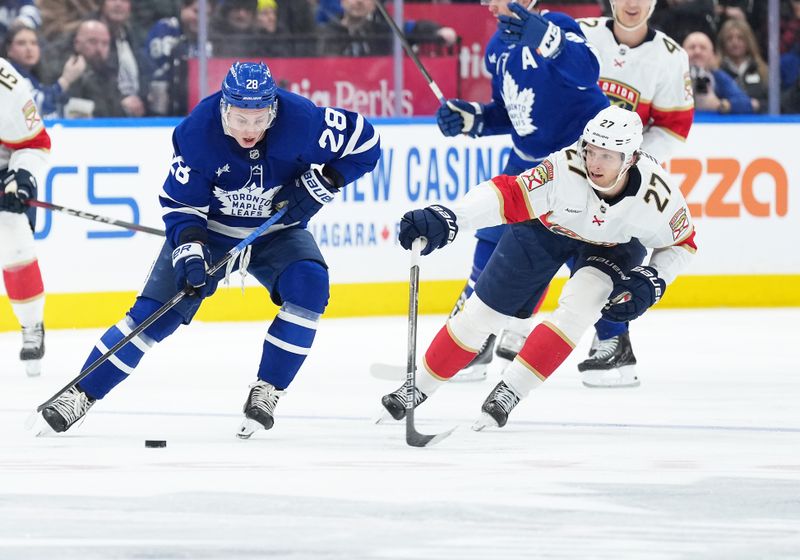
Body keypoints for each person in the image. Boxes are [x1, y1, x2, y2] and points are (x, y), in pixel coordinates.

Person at [37, 61, 381, 436]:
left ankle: (268, 389)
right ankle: (82, 392)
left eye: (259, 118)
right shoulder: (197, 133)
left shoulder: (304, 121)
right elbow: (182, 207)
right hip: (211, 233)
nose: (249, 130)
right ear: (223, 108)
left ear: (273, 109)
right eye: (240, 118)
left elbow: (366, 145)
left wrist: (326, 180)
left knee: (310, 287)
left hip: (277, 231)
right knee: (154, 315)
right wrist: (190, 251)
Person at [380, 106, 697, 429]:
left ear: (629, 159)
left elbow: (683, 243)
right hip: (546, 232)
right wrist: (450, 217)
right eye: (591, 150)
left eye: (607, 156)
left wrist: (654, 279)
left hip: (614, 248)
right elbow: (507, 194)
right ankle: (417, 387)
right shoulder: (563, 168)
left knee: (580, 307)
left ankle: (511, 390)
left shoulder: (658, 195)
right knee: (480, 314)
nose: (594, 163)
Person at [432, 0, 608, 381]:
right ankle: (472, 342)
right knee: (492, 240)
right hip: (526, 164)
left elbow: (587, 72)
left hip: (576, 167)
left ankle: (613, 340)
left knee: (588, 257)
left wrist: (549, 40)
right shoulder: (497, 47)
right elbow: (512, 113)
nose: (487, 3)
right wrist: (472, 119)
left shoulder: (559, 24)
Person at [573, 0, 694, 387]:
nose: (631, 3)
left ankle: (613, 338)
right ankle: (501, 328)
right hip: (571, 167)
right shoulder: (581, 33)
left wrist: (631, 164)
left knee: (607, 251)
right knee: (528, 238)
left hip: (621, 181)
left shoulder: (671, 56)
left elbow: (673, 126)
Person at [0, 56, 50, 377]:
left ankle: (32, 324)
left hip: (2, 168)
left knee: (14, 235)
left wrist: (20, 176)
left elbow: (35, 143)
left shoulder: (6, 84)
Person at [2, 23, 87, 118]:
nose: (29, 48)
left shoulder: (37, 75)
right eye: (21, 43)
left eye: (34, 43)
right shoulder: (5, 74)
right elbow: (35, 106)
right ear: (8, 49)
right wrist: (66, 80)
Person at [683, 31, 754, 114]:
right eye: (692, 47)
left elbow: (747, 103)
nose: (697, 52)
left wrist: (720, 105)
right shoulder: (672, 77)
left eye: (703, 48)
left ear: (712, 54)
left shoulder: (717, 77)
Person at [716, 18, 768, 113]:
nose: (735, 42)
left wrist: (758, 105)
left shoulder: (762, 70)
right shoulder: (717, 71)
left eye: (740, 38)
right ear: (723, 42)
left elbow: (775, 103)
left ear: (748, 41)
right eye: (729, 38)